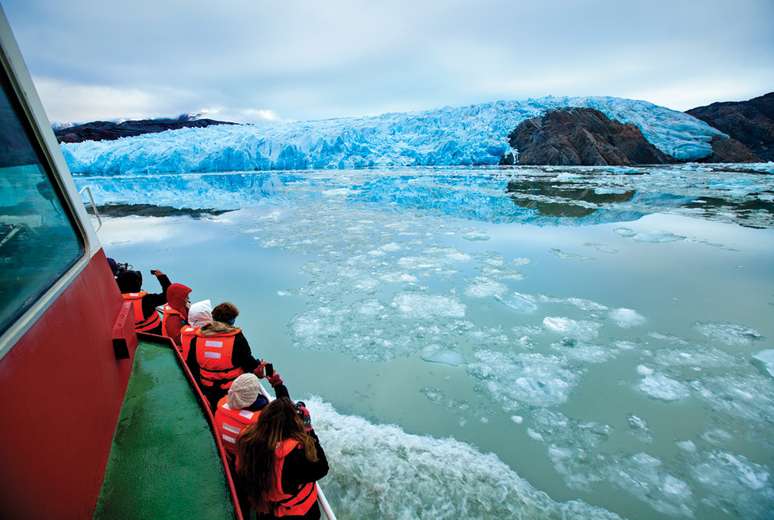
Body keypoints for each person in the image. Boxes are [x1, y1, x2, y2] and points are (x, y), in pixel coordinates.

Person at [237, 398, 329, 519]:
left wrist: (279, 388)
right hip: (296, 513)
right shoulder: (295, 457)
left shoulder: (248, 442)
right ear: (292, 425)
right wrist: (308, 429)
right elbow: (322, 468)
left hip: (266, 510)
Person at [186, 302, 265, 409]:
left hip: (207, 391)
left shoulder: (197, 339)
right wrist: (259, 366)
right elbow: (248, 362)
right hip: (233, 392)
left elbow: (191, 366)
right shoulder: (237, 338)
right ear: (232, 320)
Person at [214, 371, 286, 457]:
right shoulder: (261, 424)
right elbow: (287, 412)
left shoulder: (220, 411)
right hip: (249, 464)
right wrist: (278, 385)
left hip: (230, 455)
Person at [117, 268, 171, 334]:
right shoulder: (147, 299)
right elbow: (168, 295)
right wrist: (162, 277)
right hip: (155, 334)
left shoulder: (114, 301)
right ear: (138, 284)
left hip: (131, 335)